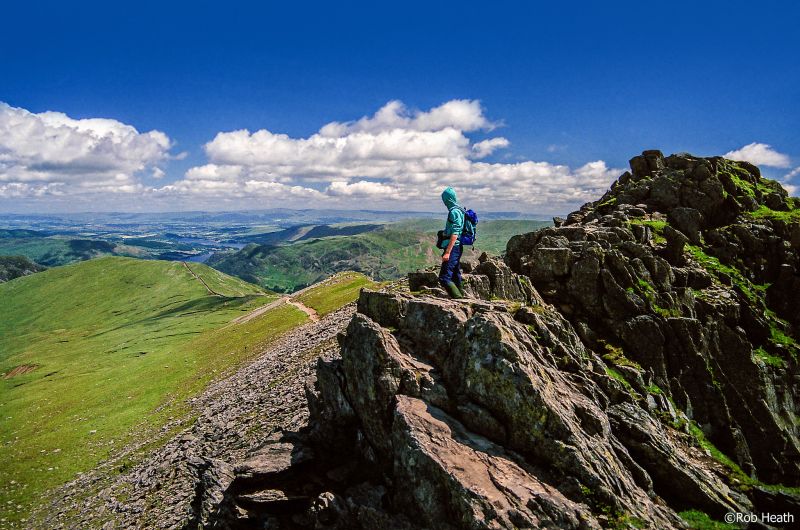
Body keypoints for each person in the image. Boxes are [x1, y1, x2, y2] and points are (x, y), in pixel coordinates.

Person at [439, 187, 465, 299]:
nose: (444, 202)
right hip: (457, 247)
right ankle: (462, 297)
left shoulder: (454, 212)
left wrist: (448, 252)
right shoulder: (459, 210)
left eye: (444, 199)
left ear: (448, 199)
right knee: (455, 274)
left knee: (444, 277)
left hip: (453, 248)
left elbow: (455, 233)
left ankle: (458, 298)